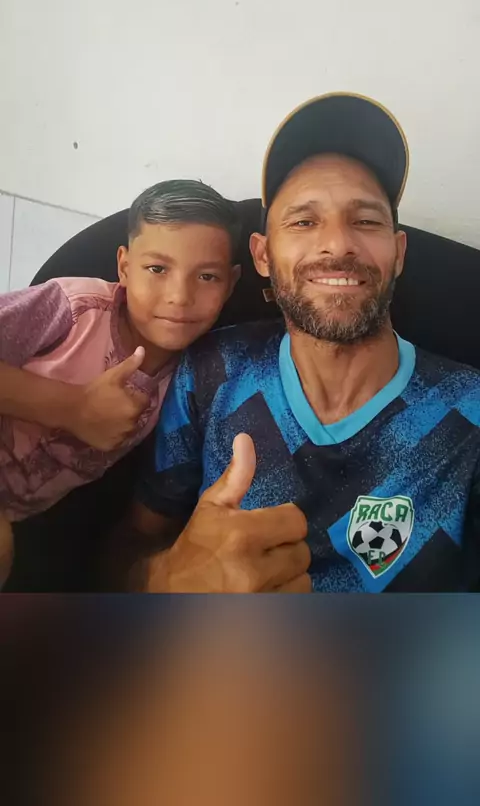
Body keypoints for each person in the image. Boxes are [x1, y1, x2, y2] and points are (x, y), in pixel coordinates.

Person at [124, 91, 480, 593]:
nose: (338, 243)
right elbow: (125, 551)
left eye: (366, 220)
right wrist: (165, 581)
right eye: (304, 221)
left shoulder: (470, 415)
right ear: (262, 255)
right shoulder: (210, 372)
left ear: (398, 253)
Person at [0, 179, 241, 537]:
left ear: (231, 284)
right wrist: (73, 407)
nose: (179, 296)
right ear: (125, 267)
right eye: (157, 269)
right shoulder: (76, 309)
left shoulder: (195, 377)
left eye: (207, 276)